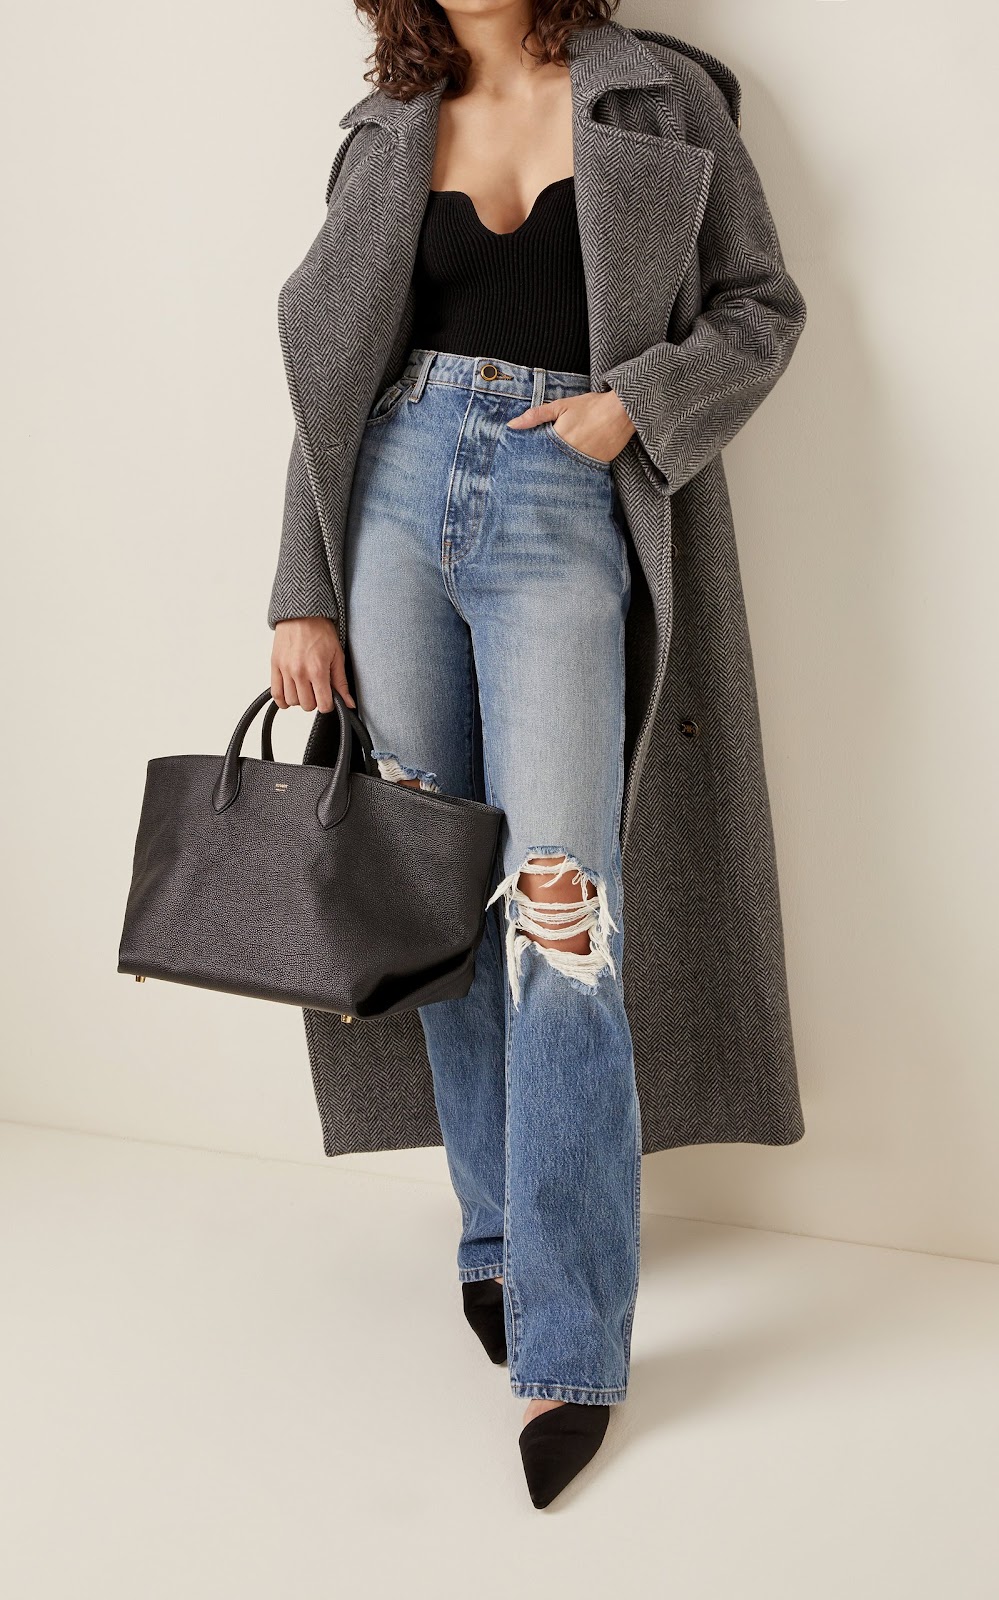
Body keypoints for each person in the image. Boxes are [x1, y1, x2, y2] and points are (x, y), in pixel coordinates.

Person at [269, 0, 806, 1508]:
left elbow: (761, 304)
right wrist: (300, 589)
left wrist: (638, 405)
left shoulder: (660, 95)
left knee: (564, 915)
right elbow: (328, 387)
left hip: (564, 503)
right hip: (391, 503)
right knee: (434, 894)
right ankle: (498, 1235)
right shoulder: (387, 124)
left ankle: (569, 1344)